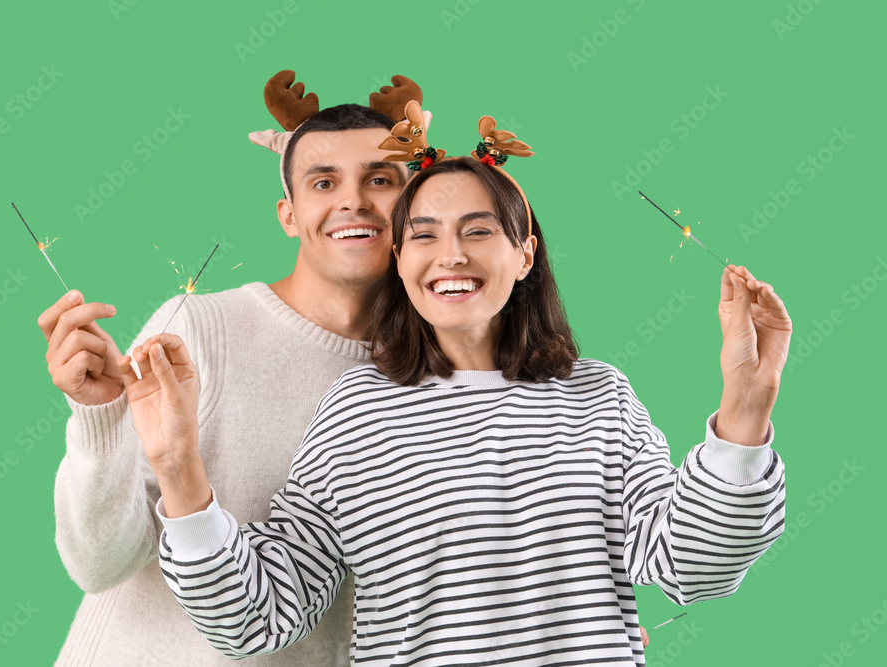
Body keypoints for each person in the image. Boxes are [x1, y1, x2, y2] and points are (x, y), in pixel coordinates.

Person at [123, 110, 790, 664]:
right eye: (424, 235)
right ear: (399, 259)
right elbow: (257, 615)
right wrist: (179, 468)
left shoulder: (599, 399)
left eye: (478, 231)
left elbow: (690, 563)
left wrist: (745, 406)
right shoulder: (357, 413)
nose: (451, 256)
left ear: (524, 253)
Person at [40, 72, 423, 666]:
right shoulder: (201, 332)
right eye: (324, 182)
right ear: (289, 215)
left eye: (381, 179)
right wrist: (99, 421)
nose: (354, 201)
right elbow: (98, 566)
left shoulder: (439, 377)